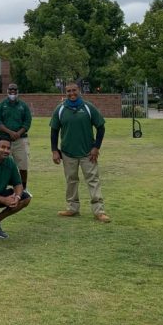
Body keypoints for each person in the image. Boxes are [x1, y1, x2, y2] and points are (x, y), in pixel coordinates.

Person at [49, 82, 110, 222]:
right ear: (65, 93)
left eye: (74, 90)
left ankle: (99, 211)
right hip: (67, 153)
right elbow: (54, 131)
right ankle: (72, 208)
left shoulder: (88, 108)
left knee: (93, 181)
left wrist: (96, 147)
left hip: (88, 153)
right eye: (68, 91)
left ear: (79, 90)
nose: (72, 93)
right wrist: (54, 150)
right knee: (71, 181)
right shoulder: (60, 109)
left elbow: (101, 127)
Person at [0, 83, 33, 190]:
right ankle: (3, 188)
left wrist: (18, 133)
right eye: (10, 90)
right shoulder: (1, 105)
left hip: (21, 140)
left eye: (14, 90)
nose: (12, 92)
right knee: (3, 164)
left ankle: (24, 188)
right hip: (4, 140)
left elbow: (27, 122)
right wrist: (10, 132)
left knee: (23, 165)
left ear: (17, 91)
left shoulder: (23, 106)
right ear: (7, 91)